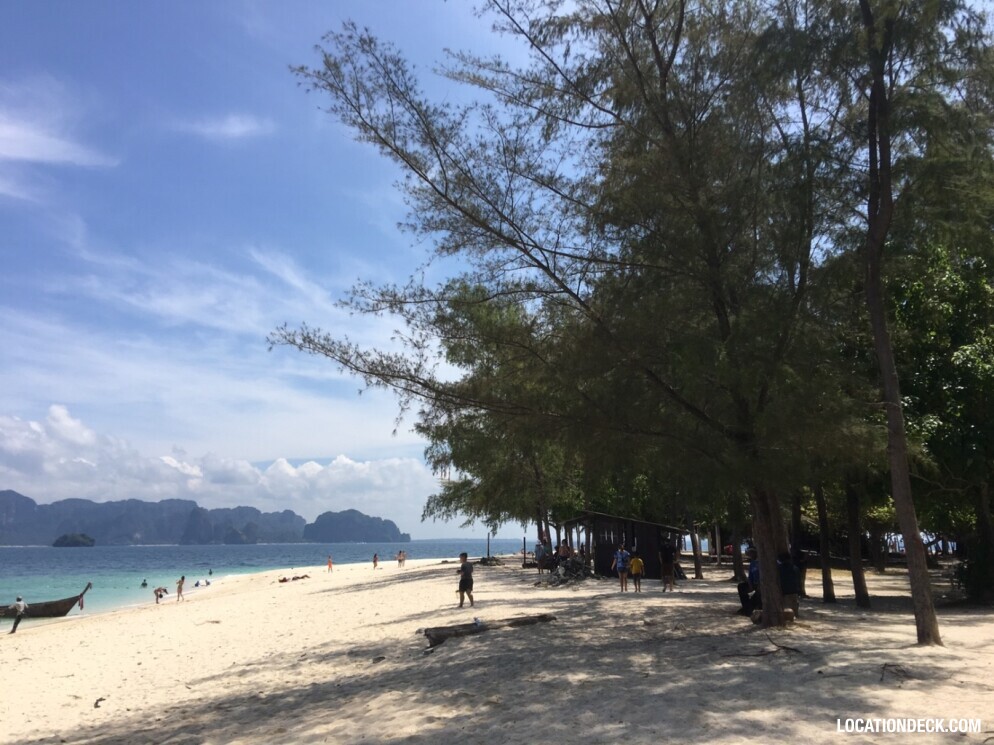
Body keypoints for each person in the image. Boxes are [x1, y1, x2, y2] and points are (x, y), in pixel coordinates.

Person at [737, 548, 761, 615]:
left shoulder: (761, 563)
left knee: (758, 595)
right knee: (741, 587)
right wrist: (750, 584)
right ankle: (746, 607)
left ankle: (749, 609)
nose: (750, 556)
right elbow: (750, 576)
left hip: (761, 585)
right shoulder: (752, 563)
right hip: (754, 584)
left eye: (751, 553)